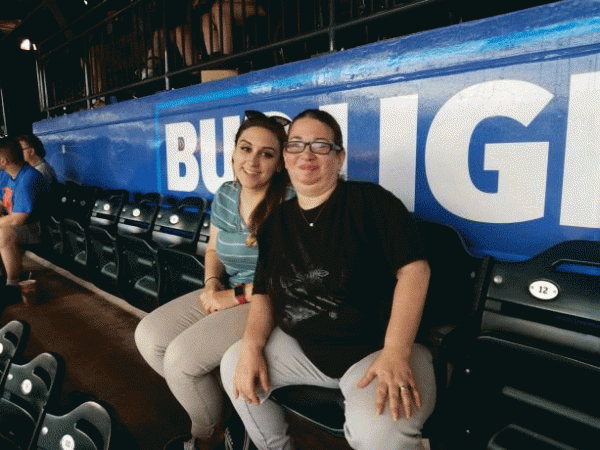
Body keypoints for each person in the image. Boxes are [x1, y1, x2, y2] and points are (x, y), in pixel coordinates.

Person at [220, 109, 436, 450]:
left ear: (339, 157)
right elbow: (263, 292)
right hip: (303, 350)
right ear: (286, 159)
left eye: (320, 145)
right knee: (235, 362)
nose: (306, 154)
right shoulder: (275, 222)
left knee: (380, 434)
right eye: (296, 145)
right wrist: (251, 346)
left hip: (377, 350)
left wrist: (396, 351)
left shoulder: (370, 200)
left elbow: (415, 270)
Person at [134, 110, 292, 450]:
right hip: (227, 290)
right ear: (233, 152)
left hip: (270, 301)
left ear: (280, 164)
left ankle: (207, 437)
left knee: (180, 360)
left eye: (267, 154)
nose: (253, 161)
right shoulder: (226, 193)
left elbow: (292, 277)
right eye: (246, 149)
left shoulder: (289, 201)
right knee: (149, 336)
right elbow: (213, 250)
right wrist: (211, 284)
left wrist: (233, 297)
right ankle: (233, 416)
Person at [0, 137, 51, 303]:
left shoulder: (28, 178)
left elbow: (19, 219)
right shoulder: (8, 175)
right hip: (24, 225)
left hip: (40, 228)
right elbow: (1, 201)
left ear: (3, 161)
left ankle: (12, 285)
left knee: (5, 231)